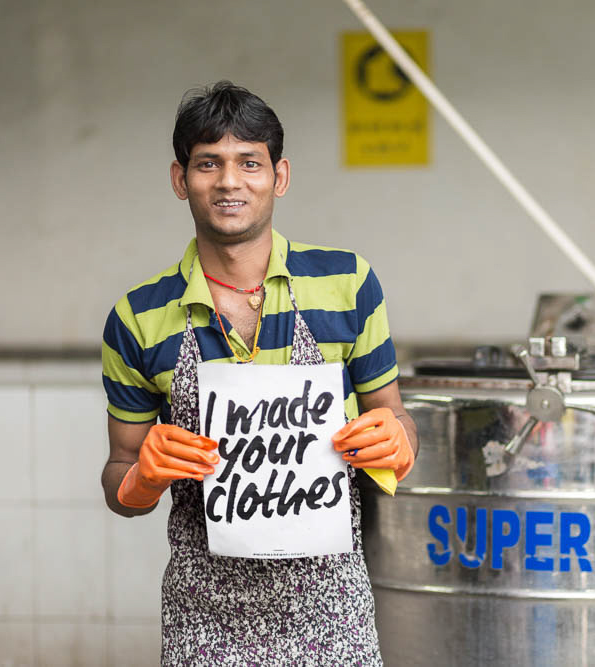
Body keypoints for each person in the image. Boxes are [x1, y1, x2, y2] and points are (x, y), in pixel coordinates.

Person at [100, 81, 418, 665]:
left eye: (250, 162)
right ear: (180, 179)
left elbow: (395, 418)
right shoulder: (137, 317)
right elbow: (120, 477)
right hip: (204, 617)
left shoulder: (348, 284)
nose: (229, 181)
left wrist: (398, 442)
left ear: (280, 176)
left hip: (333, 610)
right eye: (208, 164)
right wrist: (141, 478)